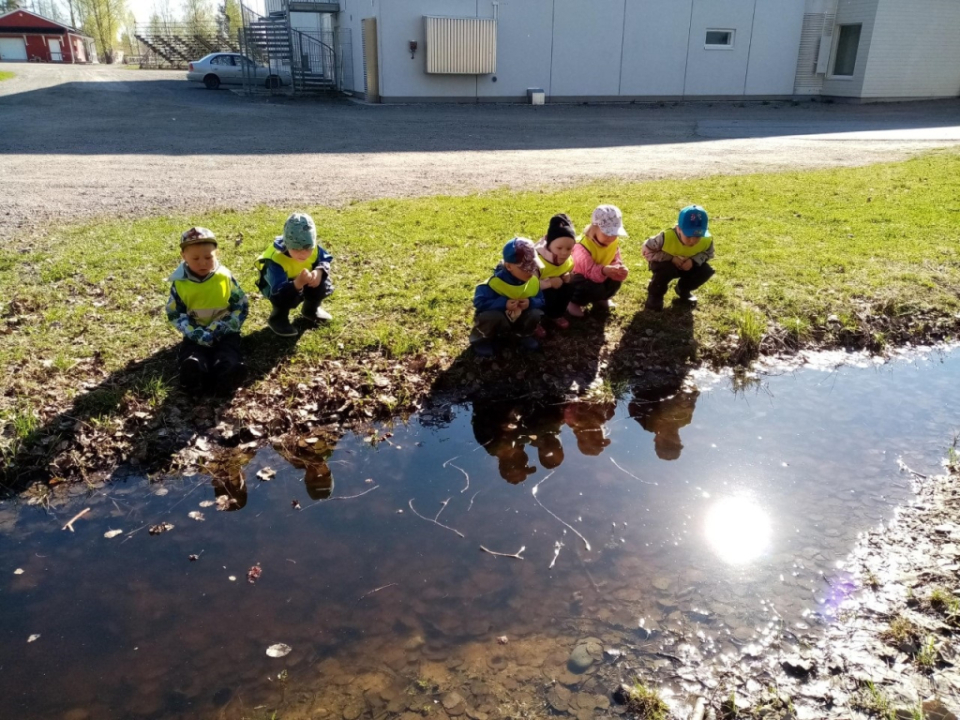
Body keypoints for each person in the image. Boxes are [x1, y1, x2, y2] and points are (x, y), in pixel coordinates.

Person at [166, 226, 248, 395]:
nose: (202, 262)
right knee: (191, 351)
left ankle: (226, 374)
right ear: (184, 257)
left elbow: (241, 305)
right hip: (196, 330)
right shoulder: (180, 283)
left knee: (229, 350)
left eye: (208, 257)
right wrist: (193, 331)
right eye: (195, 258)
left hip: (225, 330)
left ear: (216, 254)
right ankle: (194, 371)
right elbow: (175, 312)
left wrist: (226, 326)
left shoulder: (224, 277)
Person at [255, 212, 334, 337]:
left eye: (308, 249)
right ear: (287, 244)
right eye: (296, 249)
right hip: (278, 285)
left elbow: (325, 260)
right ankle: (278, 318)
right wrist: (297, 284)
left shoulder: (314, 249)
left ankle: (311, 309)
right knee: (283, 299)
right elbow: (277, 291)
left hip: (304, 277)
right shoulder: (276, 260)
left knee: (323, 281)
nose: (303, 254)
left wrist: (319, 272)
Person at [471, 237, 546, 357]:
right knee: (491, 317)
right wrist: (503, 304)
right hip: (499, 319)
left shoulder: (533, 281)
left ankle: (523, 335)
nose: (531, 271)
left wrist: (530, 303)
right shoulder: (493, 283)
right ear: (509, 266)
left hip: (519, 318)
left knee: (535, 313)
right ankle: (481, 340)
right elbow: (479, 302)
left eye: (533, 265)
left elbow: (541, 300)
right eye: (525, 267)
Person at [642, 204, 715, 311]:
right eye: (689, 236)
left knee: (706, 271)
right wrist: (671, 258)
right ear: (678, 229)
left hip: (688, 266)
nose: (693, 241)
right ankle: (655, 296)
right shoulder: (665, 237)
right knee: (664, 271)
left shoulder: (706, 240)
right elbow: (646, 250)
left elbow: (709, 253)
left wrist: (693, 261)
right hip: (666, 265)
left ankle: (683, 289)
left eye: (698, 236)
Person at [568, 204, 629, 317]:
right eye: (607, 233)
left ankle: (602, 298)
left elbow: (615, 258)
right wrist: (604, 271)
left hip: (600, 274)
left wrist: (618, 267)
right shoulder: (582, 247)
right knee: (589, 286)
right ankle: (574, 302)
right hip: (581, 278)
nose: (611, 238)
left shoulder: (612, 242)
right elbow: (588, 272)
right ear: (594, 228)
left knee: (615, 280)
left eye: (614, 234)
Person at [535, 213, 577, 330]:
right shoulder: (537, 260)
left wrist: (568, 277)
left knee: (570, 287)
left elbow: (570, 272)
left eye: (569, 249)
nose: (564, 253)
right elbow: (527, 285)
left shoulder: (568, 260)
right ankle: (534, 321)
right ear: (549, 242)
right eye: (559, 248)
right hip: (537, 292)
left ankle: (556, 314)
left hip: (555, 291)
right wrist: (549, 283)